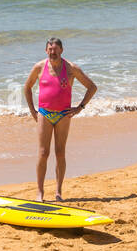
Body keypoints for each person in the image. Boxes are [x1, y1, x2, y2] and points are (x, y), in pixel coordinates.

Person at [23, 37, 97, 201]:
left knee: (60, 152)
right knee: (43, 153)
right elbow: (27, 87)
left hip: (64, 115)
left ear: (61, 50)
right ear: (45, 50)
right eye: (49, 49)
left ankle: (58, 192)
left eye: (55, 49)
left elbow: (92, 87)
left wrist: (80, 107)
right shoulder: (39, 67)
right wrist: (33, 111)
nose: (52, 52)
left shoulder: (71, 68)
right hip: (44, 113)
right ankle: (40, 192)